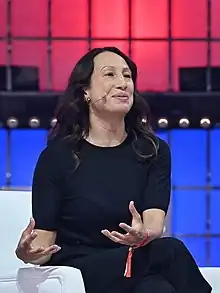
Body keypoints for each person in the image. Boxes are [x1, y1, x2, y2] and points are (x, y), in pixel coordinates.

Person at [15, 47, 212, 293]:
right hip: (80, 269)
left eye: (127, 76)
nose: (122, 84)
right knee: (171, 250)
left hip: (133, 262)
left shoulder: (153, 150)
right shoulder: (57, 157)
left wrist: (143, 235)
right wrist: (28, 252)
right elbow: (43, 246)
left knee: (158, 289)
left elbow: (154, 224)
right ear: (85, 91)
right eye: (110, 75)